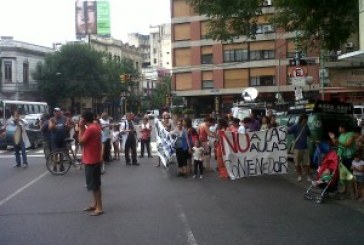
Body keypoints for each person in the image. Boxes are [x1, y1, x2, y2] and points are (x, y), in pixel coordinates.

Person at [79, 111, 104, 216]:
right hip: (93, 158)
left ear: (84, 119)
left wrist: (80, 127)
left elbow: (81, 141)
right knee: (93, 184)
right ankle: (95, 204)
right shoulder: (95, 126)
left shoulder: (90, 129)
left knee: (95, 185)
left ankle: (99, 207)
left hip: (92, 160)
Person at [288, 113, 311, 182]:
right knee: (297, 163)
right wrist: (285, 128)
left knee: (306, 163)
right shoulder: (295, 126)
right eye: (305, 119)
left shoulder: (306, 126)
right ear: (301, 119)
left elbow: (309, 134)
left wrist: (314, 140)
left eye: (307, 120)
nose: (306, 121)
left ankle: (307, 176)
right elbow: (288, 131)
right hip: (297, 148)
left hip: (305, 147)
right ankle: (299, 176)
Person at [49, 108, 73, 172]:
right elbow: (50, 127)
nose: (57, 113)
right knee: (55, 153)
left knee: (62, 153)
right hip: (55, 139)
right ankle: (55, 166)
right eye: (55, 112)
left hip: (63, 138)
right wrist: (54, 123)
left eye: (58, 112)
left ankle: (61, 166)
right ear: (54, 113)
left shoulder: (65, 118)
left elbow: (71, 125)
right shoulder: (52, 119)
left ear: (60, 112)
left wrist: (67, 126)